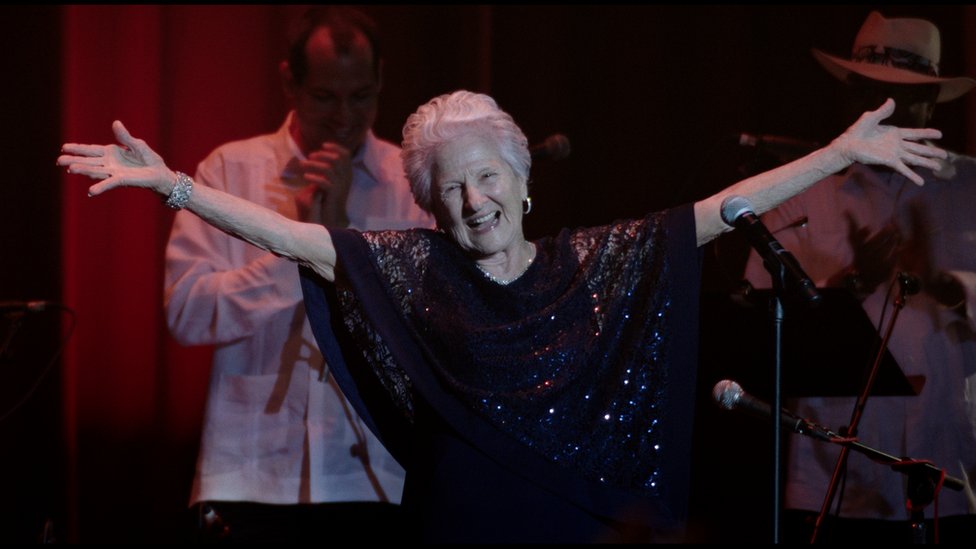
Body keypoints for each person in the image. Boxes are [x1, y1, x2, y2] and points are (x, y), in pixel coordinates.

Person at [58, 89, 944, 542]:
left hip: (571, 521)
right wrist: (174, 183)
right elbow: (291, 238)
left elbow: (722, 208)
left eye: (487, 178)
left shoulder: (591, 263)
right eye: (450, 189)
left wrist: (837, 153)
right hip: (456, 520)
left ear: (522, 183)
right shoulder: (415, 266)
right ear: (432, 208)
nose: (472, 200)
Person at [162, 6, 433, 542]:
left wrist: (337, 250)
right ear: (290, 81)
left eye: (360, 98)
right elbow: (187, 312)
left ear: (381, 81)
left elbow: (427, 332)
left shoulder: (409, 183)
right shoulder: (230, 172)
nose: (343, 118)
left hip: (374, 471)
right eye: (325, 98)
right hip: (252, 468)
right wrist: (301, 248)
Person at [742, 11, 976, 544]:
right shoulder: (796, 193)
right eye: (872, 93)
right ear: (850, 94)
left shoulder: (972, 189)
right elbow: (759, 335)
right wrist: (852, 283)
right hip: (835, 477)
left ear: (932, 100)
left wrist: (952, 286)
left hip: (952, 463)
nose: (885, 113)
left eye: (904, 97)